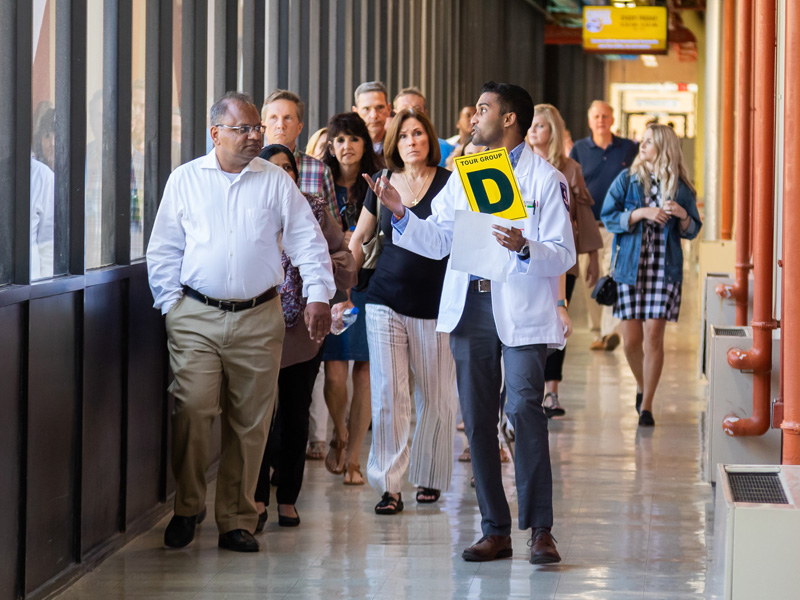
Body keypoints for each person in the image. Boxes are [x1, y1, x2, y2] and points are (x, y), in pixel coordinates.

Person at [368, 82, 575, 564]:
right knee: (478, 420)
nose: (474, 116)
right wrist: (400, 213)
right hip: (470, 307)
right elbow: (438, 240)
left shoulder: (546, 179)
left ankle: (541, 528)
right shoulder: (467, 173)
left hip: (522, 307)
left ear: (508, 120)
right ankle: (494, 528)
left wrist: (525, 245)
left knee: (524, 409)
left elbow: (562, 254)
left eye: (483, 109)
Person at [146, 92, 335, 553]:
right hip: (195, 315)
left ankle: (236, 517)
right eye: (244, 128)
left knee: (252, 422)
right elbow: (164, 248)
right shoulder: (186, 179)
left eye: (257, 128)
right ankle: (188, 507)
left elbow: (308, 243)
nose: (256, 135)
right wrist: (172, 306)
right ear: (216, 133)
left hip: (259, 316)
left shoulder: (275, 182)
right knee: (191, 408)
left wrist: (318, 296)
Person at [350, 108, 456, 514]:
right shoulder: (381, 182)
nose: (412, 140)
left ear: (430, 139)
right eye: (405, 135)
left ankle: (428, 474)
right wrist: (342, 288)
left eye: (419, 133)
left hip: (435, 302)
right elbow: (360, 236)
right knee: (388, 392)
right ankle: (389, 484)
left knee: (435, 393)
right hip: (384, 298)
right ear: (394, 143)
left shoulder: (450, 184)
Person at [254, 144, 357, 530]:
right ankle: (257, 497)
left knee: (296, 414)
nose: (283, 174)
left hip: (304, 329)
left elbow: (345, 259)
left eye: (289, 168)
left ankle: (288, 498)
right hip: (259, 327)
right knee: (259, 418)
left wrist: (315, 267)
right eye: (274, 167)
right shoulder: (252, 212)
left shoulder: (314, 209)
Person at [601, 123, 702, 427]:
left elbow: (692, 230)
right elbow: (608, 216)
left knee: (654, 338)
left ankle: (647, 406)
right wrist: (641, 213)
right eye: (641, 142)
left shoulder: (681, 187)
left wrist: (682, 215)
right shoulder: (628, 180)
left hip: (663, 270)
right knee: (631, 342)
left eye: (648, 143)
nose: (641, 147)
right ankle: (643, 385)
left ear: (664, 148)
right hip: (631, 270)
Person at [528, 104, 603, 417]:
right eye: (531, 125)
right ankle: (529, 387)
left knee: (558, 320)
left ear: (553, 131)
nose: (534, 130)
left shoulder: (569, 169)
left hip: (562, 261)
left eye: (541, 126)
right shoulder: (516, 166)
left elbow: (583, 216)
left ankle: (551, 391)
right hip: (525, 258)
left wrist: (593, 259)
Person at [321, 113, 380, 485]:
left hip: (369, 283)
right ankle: (339, 432)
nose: (347, 146)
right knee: (335, 374)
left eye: (354, 139)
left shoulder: (376, 182)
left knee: (365, 372)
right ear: (331, 146)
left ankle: (355, 456)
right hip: (330, 284)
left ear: (365, 144)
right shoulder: (320, 182)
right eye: (340, 140)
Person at [570, 100, 638, 351]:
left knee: (613, 274)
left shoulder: (628, 148)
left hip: (617, 225)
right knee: (592, 277)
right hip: (588, 226)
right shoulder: (579, 149)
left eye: (605, 116)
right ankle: (598, 331)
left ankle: (610, 330)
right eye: (596, 116)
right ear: (590, 121)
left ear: (613, 120)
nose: (601, 120)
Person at [262, 90, 341, 228]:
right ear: (263, 126)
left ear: (300, 127)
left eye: (288, 117)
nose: (280, 125)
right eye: (273, 117)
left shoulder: (320, 170)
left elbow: (334, 227)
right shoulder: (249, 166)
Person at [392, 87, 454, 167]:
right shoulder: (386, 147)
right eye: (405, 109)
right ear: (395, 114)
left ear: (425, 113)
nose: (411, 113)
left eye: (417, 108)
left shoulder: (446, 148)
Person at [352, 81, 391, 166]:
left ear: (388, 109)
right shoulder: (349, 147)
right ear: (355, 112)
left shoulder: (398, 145)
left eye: (380, 108)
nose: (374, 116)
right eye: (366, 109)